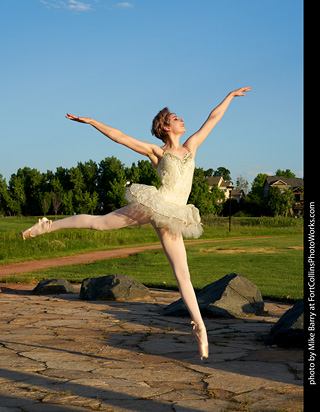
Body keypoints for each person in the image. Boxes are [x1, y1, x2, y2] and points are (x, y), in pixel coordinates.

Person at [21, 87, 251, 359]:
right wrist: (92, 122)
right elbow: (120, 138)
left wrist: (230, 96)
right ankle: (48, 225)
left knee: (183, 274)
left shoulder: (191, 147)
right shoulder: (157, 152)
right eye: (176, 118)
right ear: (165, 126)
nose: (182, 120)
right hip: (156, 204)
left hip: (175, 215)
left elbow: (213, 118)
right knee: (100, 223)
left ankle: (200, 327)